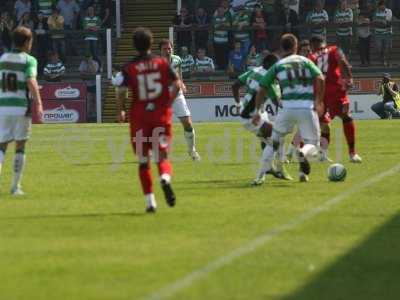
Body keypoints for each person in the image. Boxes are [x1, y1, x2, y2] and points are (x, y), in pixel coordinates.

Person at [112, 28, 181, 213]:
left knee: (144, 161)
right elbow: (177, 85)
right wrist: (168, 102)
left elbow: (120, 90)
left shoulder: (129, 67)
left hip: (140, 117)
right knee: (162, 155)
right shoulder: (162, 63)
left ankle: (150, 202)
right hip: (160, 115)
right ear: (151, 44)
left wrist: (121, 111)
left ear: (134, 45)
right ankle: (165, 178)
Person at [253, 33, 325, 184]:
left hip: (287, 109)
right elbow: (320, 78)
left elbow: (262, 88)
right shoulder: (305, 61)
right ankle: (302, 152)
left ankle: (259, 177)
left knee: (274, 142)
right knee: (313, 144)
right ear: (296, 46)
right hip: (306, 107)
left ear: (282, 47)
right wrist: (318, 101)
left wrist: (257, 111)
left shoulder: (278, 65)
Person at [232, 53, 292, 182]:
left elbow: (235, 85)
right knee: (276, 140)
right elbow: (278, 103)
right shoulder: (268, 80)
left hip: (253, 111)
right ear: (272, 66)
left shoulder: (254, 71)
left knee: (269, 140)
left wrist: (237, 104)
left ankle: (270, 169)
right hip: (251, 116)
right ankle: (264, 174)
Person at [0, 26, 43, 195]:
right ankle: (15, 187)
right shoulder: (28, 60)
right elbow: (31, 81)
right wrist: (39, 103)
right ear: (26, 42)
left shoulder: (2, 58)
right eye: (30, 41)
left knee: (1, 147)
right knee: (20, 146)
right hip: (20, 108)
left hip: (3, 108)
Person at [309, 35, 362, 163]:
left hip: (319, 94)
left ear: (313, 45)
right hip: (336, 91)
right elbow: (343, 62)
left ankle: (323, 154)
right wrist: (349, 78)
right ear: (324, 43)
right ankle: (352, 154)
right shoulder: (334, 50)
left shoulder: (311, 57)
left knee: (324, 124)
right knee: (346, 117)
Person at [159, 39, 201, 161]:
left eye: (169, 48)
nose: (168, 50)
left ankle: (192, 150)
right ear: (160, 51)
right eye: (165, 49)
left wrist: (182, 83)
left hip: (177, 95)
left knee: (187, 123)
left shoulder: (177, 59)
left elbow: (179, 72)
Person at [79, 52, 99, 121]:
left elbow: (94, 72)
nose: (87, 58)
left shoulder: (95, 63)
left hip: (95, 84)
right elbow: (81, 73)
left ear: (91, 57)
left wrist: (91, 63)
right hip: (86, 84)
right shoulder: (83, 63)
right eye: (86, 57)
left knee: (95, 100)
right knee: (89, 101)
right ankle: (88, 115)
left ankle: (96, 114)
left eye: (89, 57)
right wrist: (89, 75)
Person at [373, 0, 392, 66]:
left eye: (384, 5)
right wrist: (381, 22)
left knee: (387, 48)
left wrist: (380, 22)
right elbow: (375, 23)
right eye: (381, 5)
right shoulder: (375, 12)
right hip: (378, 33)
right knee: (379, 48)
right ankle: (382, 58)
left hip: (387, 33)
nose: (382, 6)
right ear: (379, 6)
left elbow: (387, 23)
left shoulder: (389, 11)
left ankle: (385, 61)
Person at [212, 5, 231, 70]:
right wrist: (223, 24)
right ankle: (219, 69)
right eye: (219, 11)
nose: (221, 12)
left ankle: (225, 68)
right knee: (218, 55)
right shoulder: (215, 18)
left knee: (225, 55)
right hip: (216, 41)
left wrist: (220, 24)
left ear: (223, 11)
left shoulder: (226, 17)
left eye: (222, 11)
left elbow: (228, 25)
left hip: (225, 41)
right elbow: (215, 26)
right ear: (217, 11)